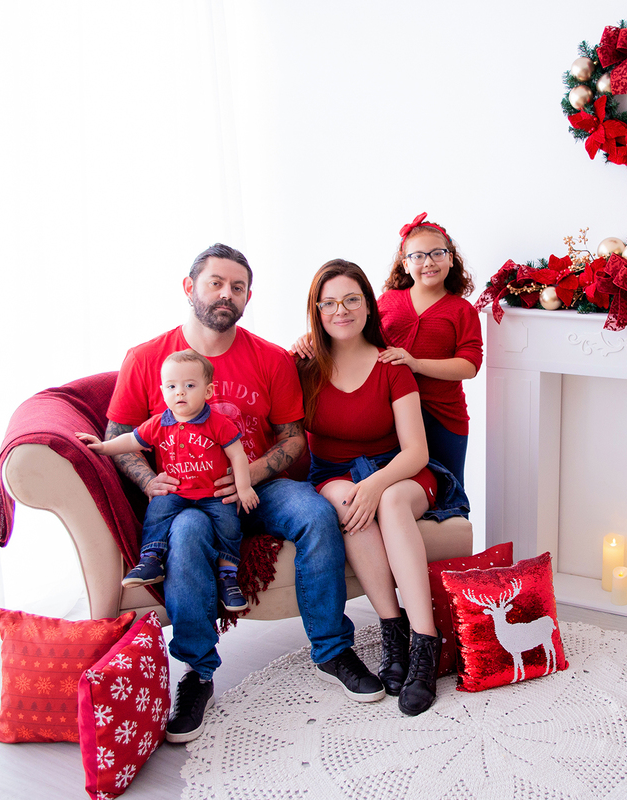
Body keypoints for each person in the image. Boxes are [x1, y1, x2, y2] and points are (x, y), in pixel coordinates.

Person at [105, 243, 384, 745]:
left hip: (262, 487)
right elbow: (119, 432)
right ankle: (198, 673)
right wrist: (148, 482)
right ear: (189, 288)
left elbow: (294, 437)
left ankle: (332, 649)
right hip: (190, 500)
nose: (226, 294)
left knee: (316, 514)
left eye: (237, 287)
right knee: (187, 535)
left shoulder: (270, 358)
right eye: (215, 282)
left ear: (248, 296)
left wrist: (249, 474)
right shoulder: (147, 359)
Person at [296, 259, 469, 716]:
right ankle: (393, 636)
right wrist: (361, 488)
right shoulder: (304, 367)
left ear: (369, 307)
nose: (342, 310)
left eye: (352, 299)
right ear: (316, 309)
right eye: (330, 302)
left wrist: (376, 482)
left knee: (388, 501)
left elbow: (415, 451)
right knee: (349, 501)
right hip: (333, 474)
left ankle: (424, 645)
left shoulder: (392, 366)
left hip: (402, 472)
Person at [294, 212, 482, 485]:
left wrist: (415, 364)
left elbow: (470, 365)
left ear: (451, 258)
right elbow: (354, 326)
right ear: (405, 264)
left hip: (442, 415)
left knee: (448, 489)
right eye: (418, 256)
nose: (428, 262)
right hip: (392, 412)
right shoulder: (389, 301)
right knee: (402, 478)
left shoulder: (462, 311)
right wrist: (317, 335)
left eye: (437, 253)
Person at [76, 349, 257, 614]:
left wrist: (243, 487)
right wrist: (103, 447)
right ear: (163, 391)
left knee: (229, 522)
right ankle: (151, 558)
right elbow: (130, 441)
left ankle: (228, 574)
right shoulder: (159, 423)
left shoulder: (219, 423)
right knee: (157, 510)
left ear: (208, 392)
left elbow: (237, 455)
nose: (180, 392)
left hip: (213, 493)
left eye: (189, 385)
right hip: (176, 490)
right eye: (172, 386)